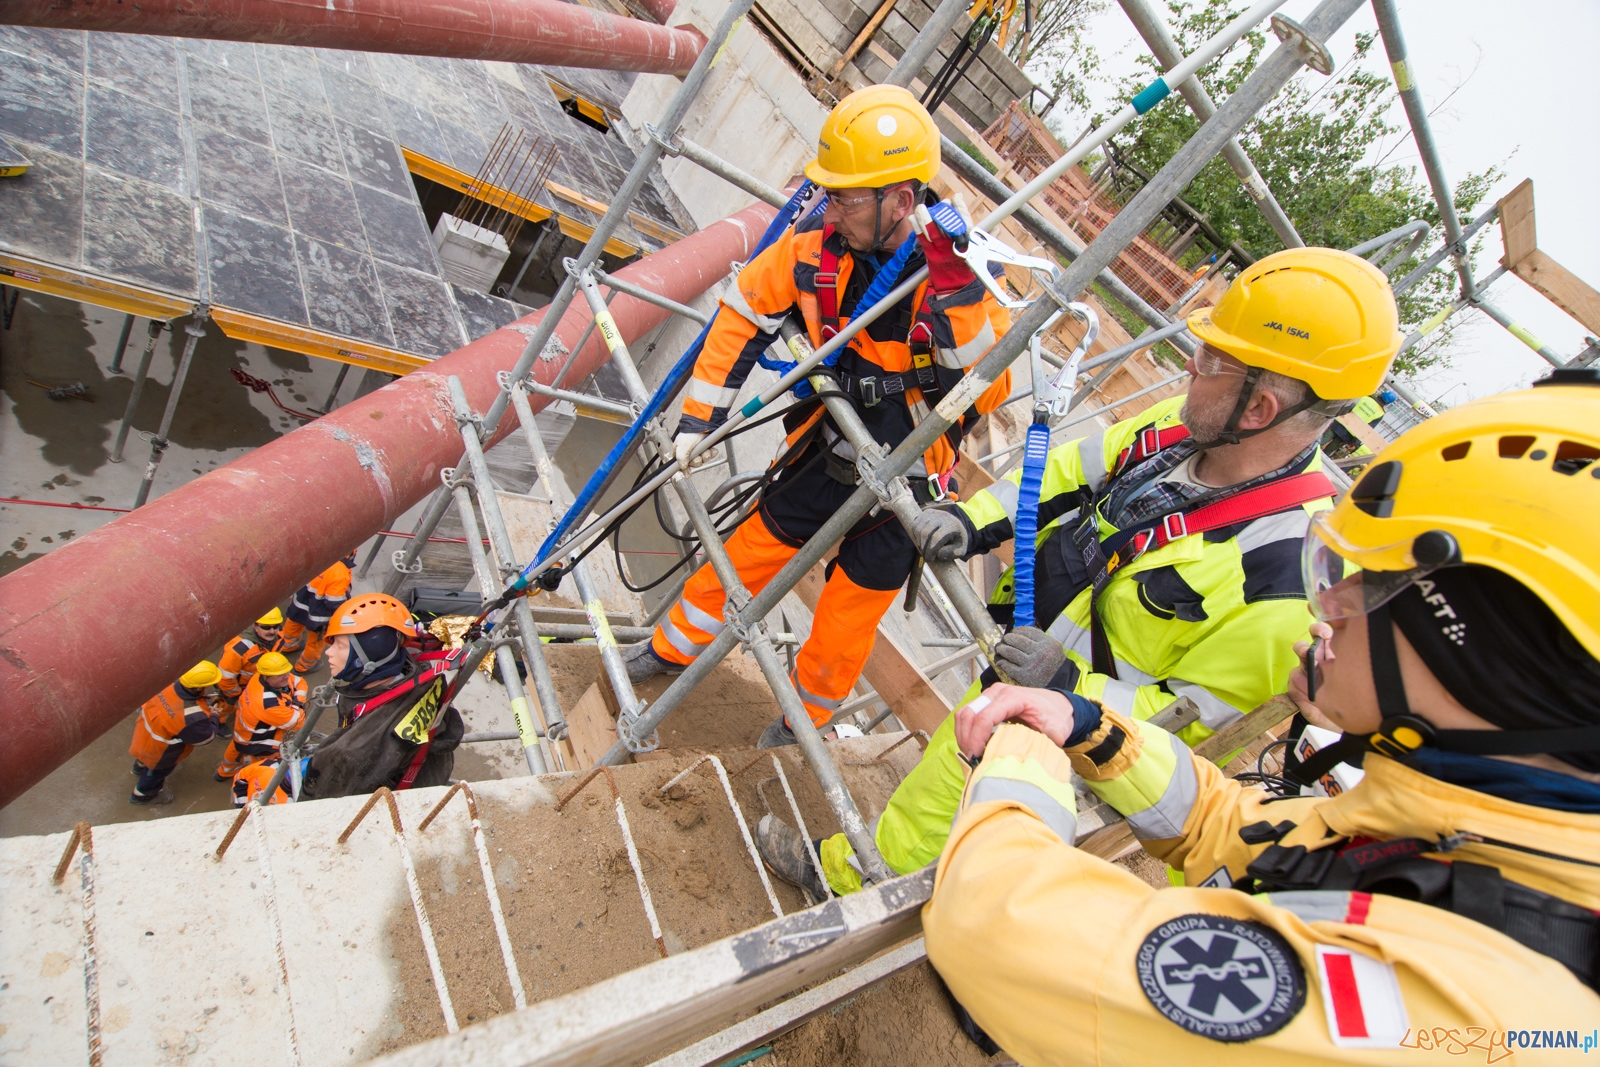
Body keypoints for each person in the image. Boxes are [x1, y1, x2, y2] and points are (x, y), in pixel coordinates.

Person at [919, 374, 1600, 1060]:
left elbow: (998, 925)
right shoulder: (1449, 836)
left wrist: (1025, 751)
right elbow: (1242, 832)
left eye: (1368, 585)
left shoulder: (1474, 1005)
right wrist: (1088, 724)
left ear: (1482, 664)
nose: (1328, 609)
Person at [759, 246, 1402, 899]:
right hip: (1026, 655)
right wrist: (972, 521)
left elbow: (1190, 723)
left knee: (953, 788)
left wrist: (1067, 688)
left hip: (1068, 729)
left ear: (1259, 408)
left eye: (1213, 360)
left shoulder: (1284, 580)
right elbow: (1063, 473)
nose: (1190, 364)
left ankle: (848, 884)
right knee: (950, 767)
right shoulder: (1179, 431)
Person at [619, 85, 1013, 748]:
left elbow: (985, 383)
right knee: (745, 556)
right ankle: (669, 649)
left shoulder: (963, 275)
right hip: (826, 451)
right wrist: (698, 423)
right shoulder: (815, 244)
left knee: (845, 622)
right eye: (829, 193)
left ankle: (802, 722)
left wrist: (957, 291)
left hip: (906, 483)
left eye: (846, 197)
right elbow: (745, 311)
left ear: (901, 201)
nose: (831, 208)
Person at [299, 592, 464, 799]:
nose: (328, 652)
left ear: (367, 657)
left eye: (340, 646)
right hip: (427, 779)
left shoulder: (349, 753)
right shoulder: (425, 674)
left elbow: (317, 803)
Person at [129, 661, 224, 805]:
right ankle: (143, 795)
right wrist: (215, 716)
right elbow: (206, 737)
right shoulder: (192, 716)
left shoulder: (167, 685)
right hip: (162, 752)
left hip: (144, 734)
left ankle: (137, 769)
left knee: (143, 757)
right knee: (155, 773)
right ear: (198, 687)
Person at [214, 652, 307, 779]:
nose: (286, 677)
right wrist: (298, 704)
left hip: (244, 731)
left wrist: (297, 702)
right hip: (260, 741)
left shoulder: (261, 677)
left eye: (287, 672)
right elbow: (298, 722)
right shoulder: (268, 704)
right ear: (266, 677)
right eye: (280, 675)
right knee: (264, 768)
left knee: (236, 750)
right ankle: (249, 779)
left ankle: (225, 771)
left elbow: (300, 681)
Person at [279, 550, 355, 675]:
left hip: (299, 605)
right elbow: (334, 602)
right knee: (315, 643)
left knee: (292, 627)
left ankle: (287, 646)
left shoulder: (319, 554)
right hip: (319, 618)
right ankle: (304, 666)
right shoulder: (339, 572)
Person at [218, 607, 286, 705]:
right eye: (266, 627)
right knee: (226, 706)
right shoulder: (238, 649)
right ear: (255, 626)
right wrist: (236, 694)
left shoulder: (279, 634)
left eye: (276, 626)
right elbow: (225, 678)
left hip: (262, 684)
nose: (272, 631)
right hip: (243, 688)